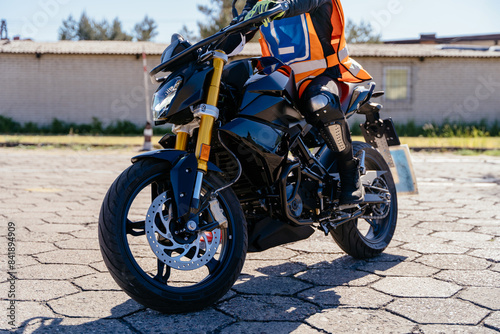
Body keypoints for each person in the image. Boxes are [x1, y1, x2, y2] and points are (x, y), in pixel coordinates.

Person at [231, 0, 372, 205]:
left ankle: (349, 171)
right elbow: (242, 27)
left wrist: (283, 5)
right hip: (280, 79)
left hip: (321, 76)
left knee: (318, 103)